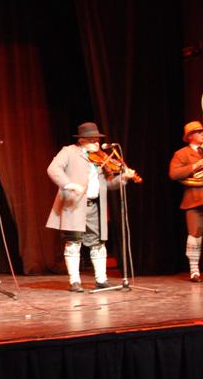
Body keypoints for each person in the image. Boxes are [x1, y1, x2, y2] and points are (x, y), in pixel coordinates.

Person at [46, 122, 136, 292]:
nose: (96, 143)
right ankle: (74, 281)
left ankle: (101, 279)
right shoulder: (69, 152)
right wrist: (70, 185)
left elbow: (108, 184)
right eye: (92, 139)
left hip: (95, 206)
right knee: (74, 241)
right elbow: (53, 169)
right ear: (81, 140)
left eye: (97, 139)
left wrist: (124, 177)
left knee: (98, 242)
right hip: (74, 205)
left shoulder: (100, 158)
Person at [168, 121, 203, 281]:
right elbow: (174, 174)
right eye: (199, 132)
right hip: (194, 199)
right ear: (190, 136)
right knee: (195, 234)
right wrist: (196, 165)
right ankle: (194, 270)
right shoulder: (181, 154)